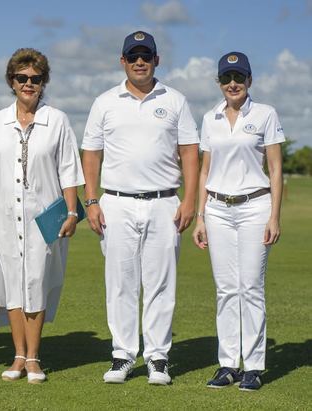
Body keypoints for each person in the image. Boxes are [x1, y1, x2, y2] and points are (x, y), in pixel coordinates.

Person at [82, 31, 199, 385]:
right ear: (122, 61)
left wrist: (190, 200)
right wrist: (90, 200)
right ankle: (122, 355)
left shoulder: (176, 100)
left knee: (161, 283)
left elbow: (190, 153)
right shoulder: (105, 102)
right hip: (116, 202)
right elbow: (91, 153)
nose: (139, 61)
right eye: (133, 56)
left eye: (145, 55)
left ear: (156, 60)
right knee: (120, 284)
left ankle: (158, 358)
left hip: (165, 202)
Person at [0, 48, 84, 384]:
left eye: (35, 79)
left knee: (36, 280)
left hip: (44, 217)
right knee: (11, 281)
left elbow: (68, 169)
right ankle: (18, 355)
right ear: (12, 81)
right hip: (4, 214)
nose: (28, 84)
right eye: (21, 78)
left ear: (43, 82)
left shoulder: (58, 120)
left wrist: (71, 211)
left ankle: (35, 357)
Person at [192, 52, 284, 391]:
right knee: (226, 290)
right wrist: (200, 217)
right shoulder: (210, 117)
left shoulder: (265, 114)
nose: (233, 84)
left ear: (249, 80)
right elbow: (204, 170)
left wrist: (274, 215)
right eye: (227, 78)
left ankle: (254, 366)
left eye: (239, 78)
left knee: (251, 286)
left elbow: (275, 168)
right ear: (219, 82)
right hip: (216, 209)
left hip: (255, 207)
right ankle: (228, 364)